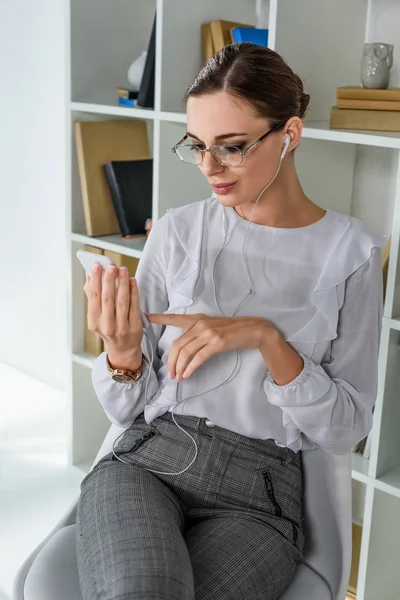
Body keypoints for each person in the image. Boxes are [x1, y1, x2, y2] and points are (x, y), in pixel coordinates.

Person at [76, 43, 385, 600]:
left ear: (290, 133)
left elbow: (346, 428)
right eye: (197, 146)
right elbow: (125, 408)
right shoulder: (176, 232)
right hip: (151, 459)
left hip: (260, 496)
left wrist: (264, 336)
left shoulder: (353, 253)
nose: (208, 167)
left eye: (233, 147)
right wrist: (122, 353)